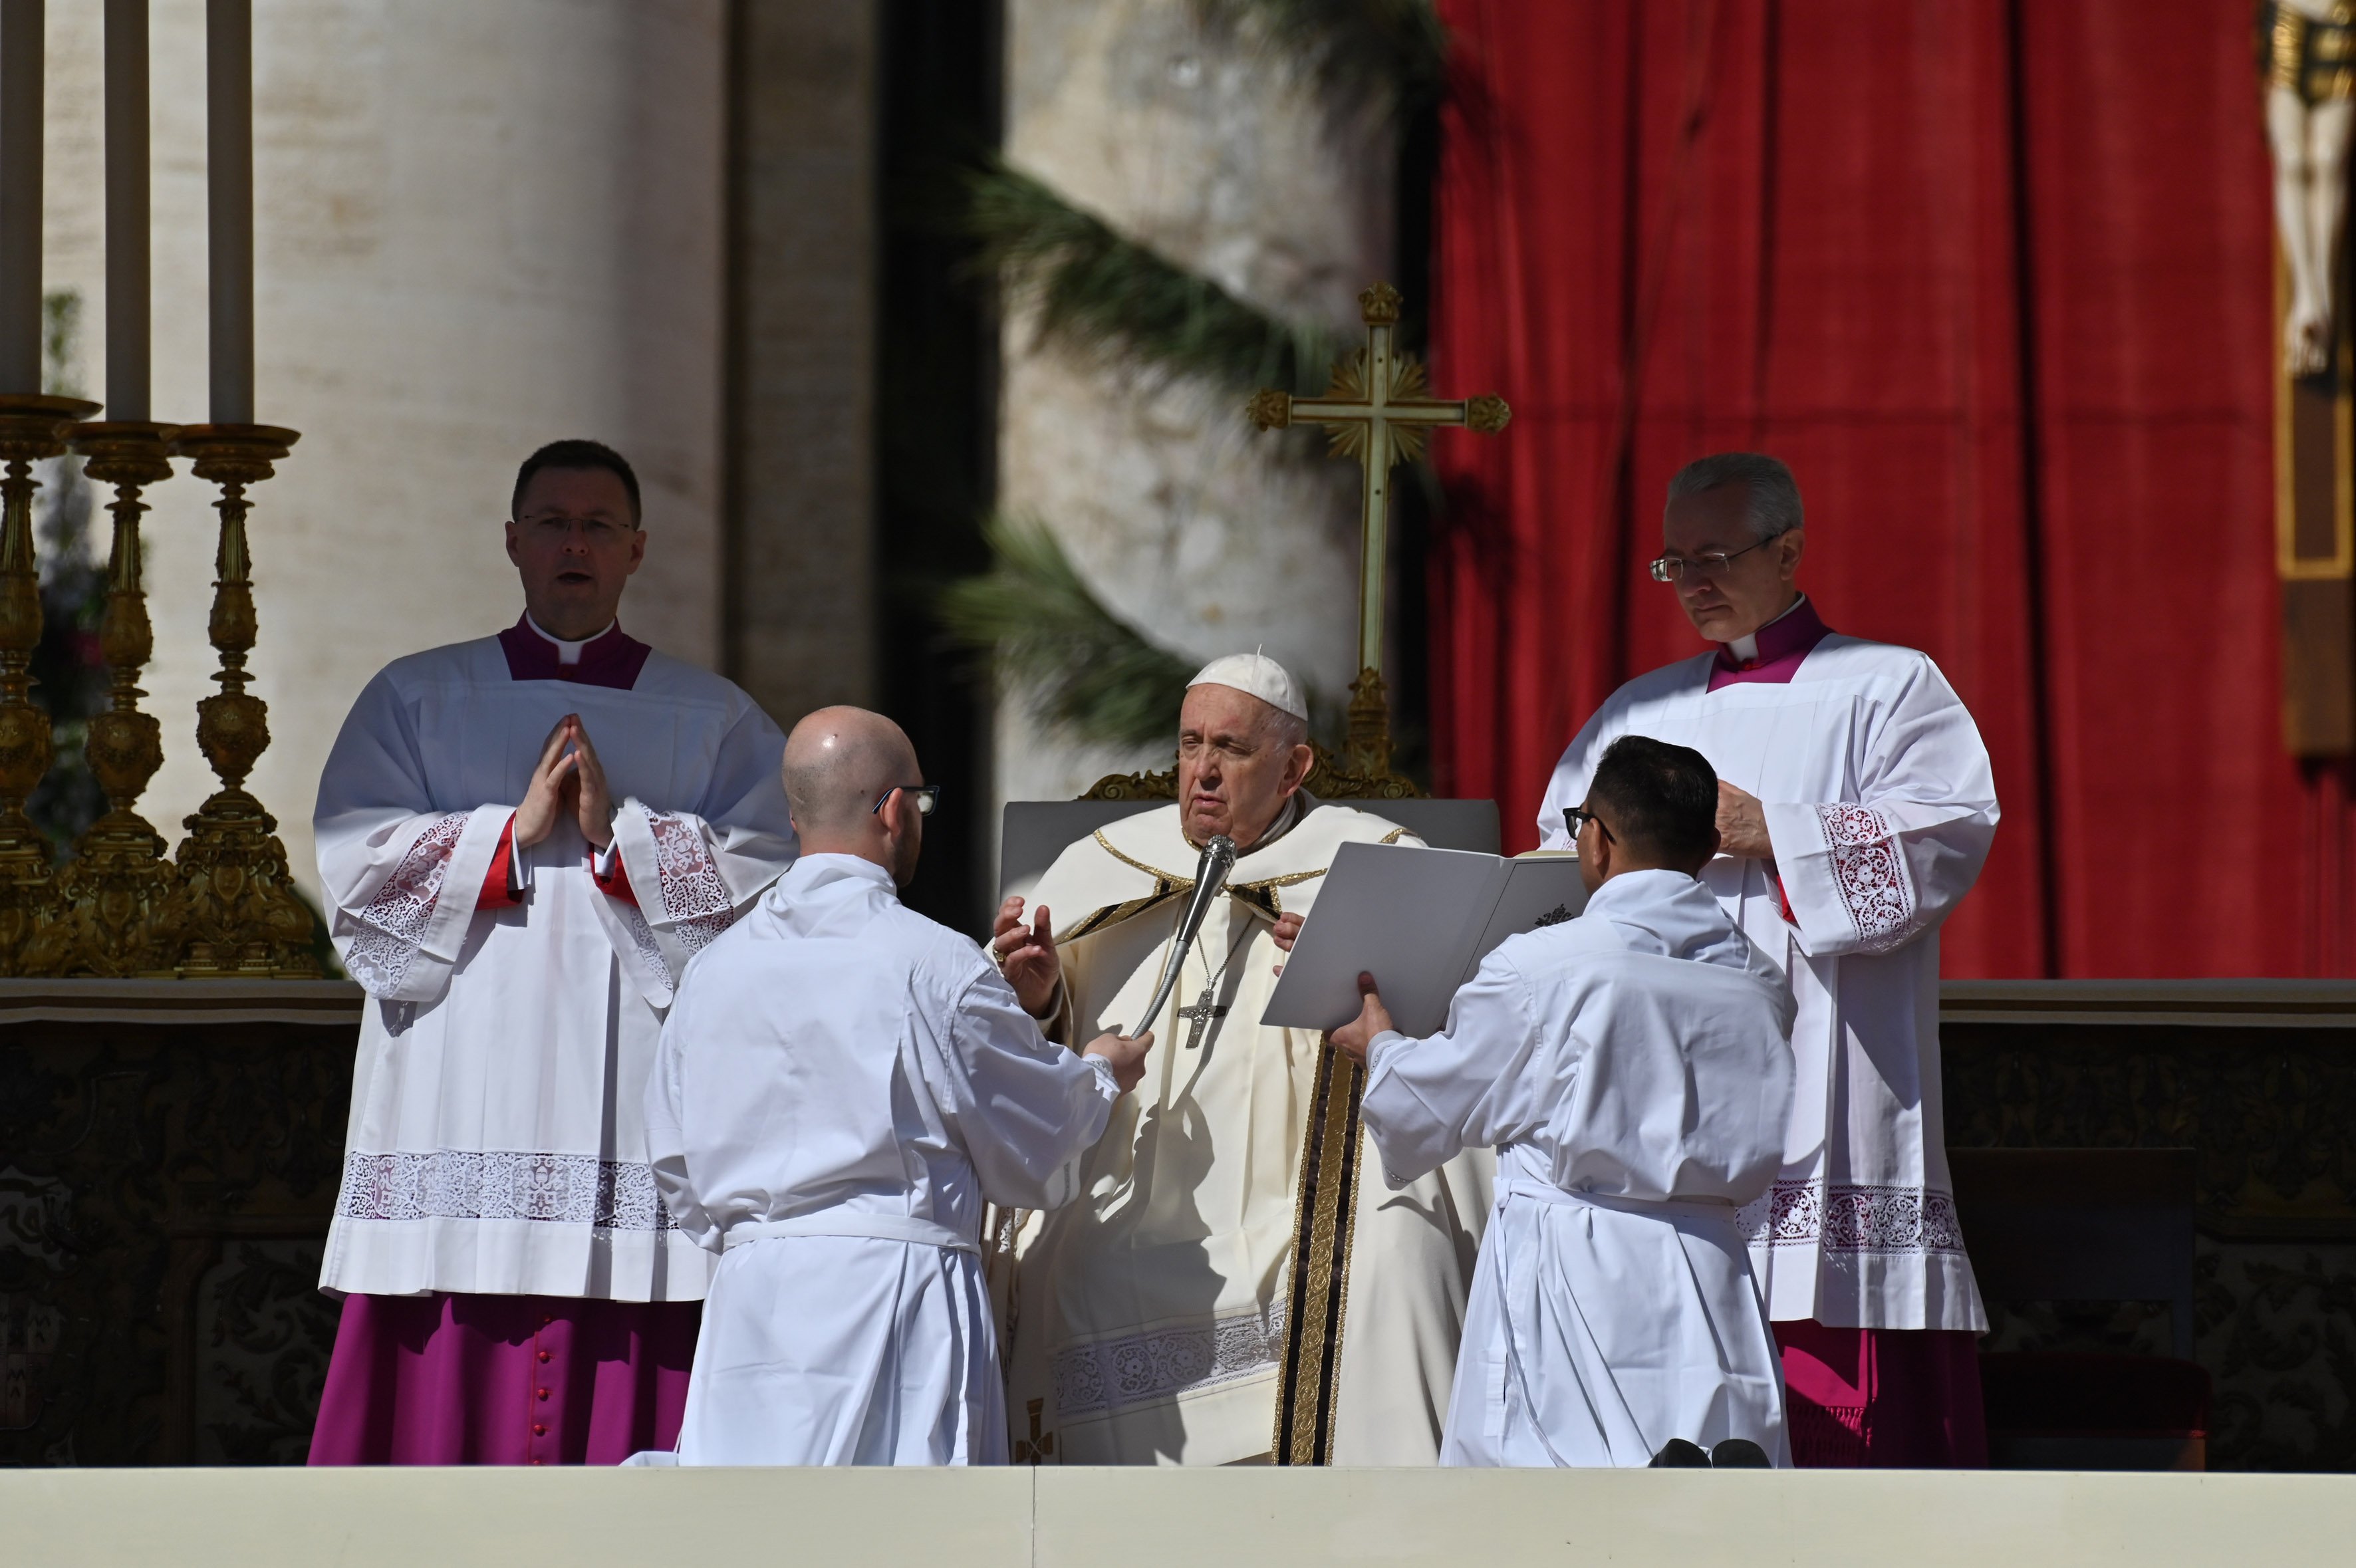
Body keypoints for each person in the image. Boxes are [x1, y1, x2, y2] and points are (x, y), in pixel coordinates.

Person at [308, 439, 797, 1466]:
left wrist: (623, 835)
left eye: (597, 525)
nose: (573, 543)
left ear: (636, 550)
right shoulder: (415, 696)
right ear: (512, 542)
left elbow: (766, 884)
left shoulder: (713, 718)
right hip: (459, 1083)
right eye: (552, 523)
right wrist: (507, 833)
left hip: (630, 1097)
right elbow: (356, 876)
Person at [1536, 452, 2000, 1467]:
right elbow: (1557, 858)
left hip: (1823, 1054)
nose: (1692, 581)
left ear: (1787, 548)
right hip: (1665, 1073)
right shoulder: (1634, 712)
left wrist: (1775, 831)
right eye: (1671, 563)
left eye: (1713, 554)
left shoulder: (1886, 685)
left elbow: (1946, 832)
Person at [990, 653, 1490, 1466]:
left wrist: (1344, 973)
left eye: (1232, 749)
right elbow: (1018, 1047)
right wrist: (1044, 1000)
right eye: (1191, 746)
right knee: (1064, 1263)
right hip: (1128, 1196)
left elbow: (1441, 1042)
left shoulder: (1371, 862)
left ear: (1296, 768)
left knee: (1386, 1261)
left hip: (1302, 1190)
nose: (1204, 773)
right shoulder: (1103, 865)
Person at [645, 708, 1152, 1465]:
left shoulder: (712, 972)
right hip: (899, 1298)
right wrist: (1100, 1070)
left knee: (751, 1534)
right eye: (919, 802)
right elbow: (1035, 1135)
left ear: (795, 815)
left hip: (754, 1310)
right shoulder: (934, 963)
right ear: (893, 809)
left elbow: (676, 1170)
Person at [1330, 735, 1795, 1467]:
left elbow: (1433, 1104)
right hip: (1714, 1280)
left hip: (1578, 1279)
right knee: (1709, 1508)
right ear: (1709, 848)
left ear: (1597, 841)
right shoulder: (1763, 982)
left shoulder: (1541, 968)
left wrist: (1380, 1046)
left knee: (1562, 1506)